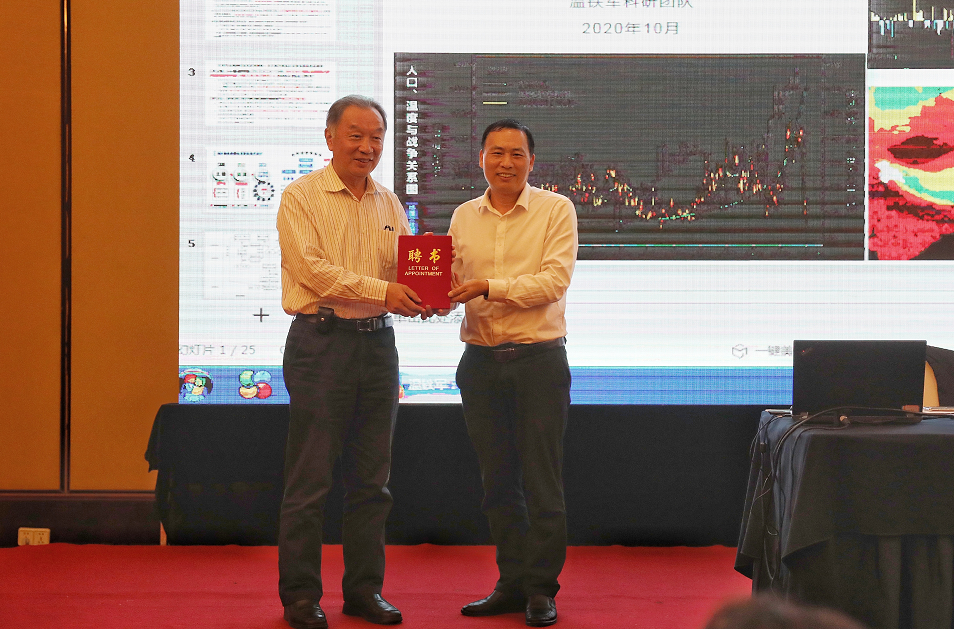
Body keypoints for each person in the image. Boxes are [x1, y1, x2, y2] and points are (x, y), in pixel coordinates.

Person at [276, 95, 428, 629]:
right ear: (330, 137)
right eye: (356, 135)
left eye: (376, 138)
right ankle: (300, 597)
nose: (367, 147)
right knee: (310, 480)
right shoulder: (301, 197)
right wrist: (384, 291)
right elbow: (312, 271)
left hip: (377, 347)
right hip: (322, 344)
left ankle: (364, 592)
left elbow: (405, 271)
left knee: (372, 482)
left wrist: (428, 292)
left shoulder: (389, 202)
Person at [447, 119, 578, 627]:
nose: (506, 163)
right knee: (497, 484)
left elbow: (552, 282)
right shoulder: (463, 215)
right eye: (496, 153)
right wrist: (432, 296)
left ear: (531, 161)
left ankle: (541, 590)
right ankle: (511, 582)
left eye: (516, 154)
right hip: (480, 363)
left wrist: (488, 287)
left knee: (542, 483)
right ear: (481, 158)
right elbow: (453, 281)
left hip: (538, 362)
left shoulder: (555, 210)